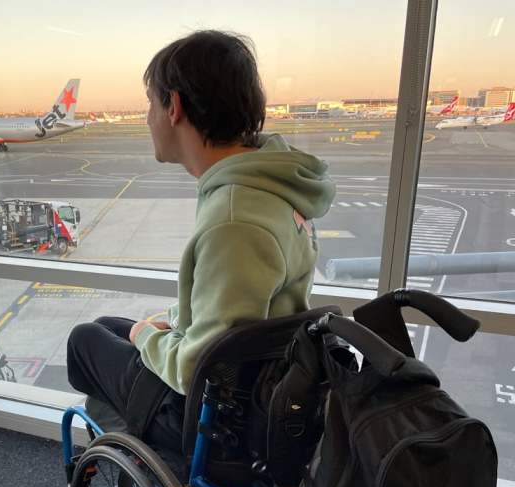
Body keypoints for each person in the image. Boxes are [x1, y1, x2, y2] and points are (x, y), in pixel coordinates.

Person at [67, 30, 336, 460]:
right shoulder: (270, 189)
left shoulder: (233, 219)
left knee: (84, 341)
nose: (148, 118)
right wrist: (165, 327)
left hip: (213, 424)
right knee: (106, 327)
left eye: (150, 105)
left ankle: (138, 446)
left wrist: (145, 336)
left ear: (174, 107)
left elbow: (199, 368)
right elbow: (236, 317)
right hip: (263, 389)